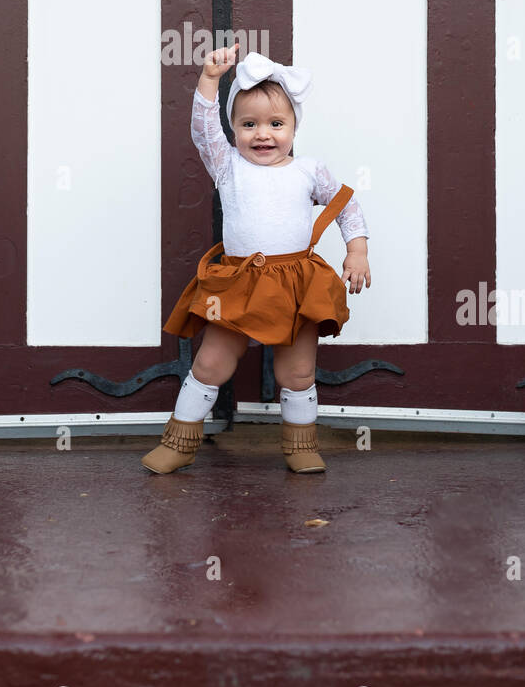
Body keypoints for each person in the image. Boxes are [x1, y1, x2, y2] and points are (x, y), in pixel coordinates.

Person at [142, 43, 371, 476]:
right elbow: (203, 130)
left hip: (296, 282)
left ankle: (300, 445)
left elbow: (346, 206)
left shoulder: (309, 170)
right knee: (210, 362)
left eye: (276, 123)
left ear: (294, 128)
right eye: (248, 124)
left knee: (298, 372)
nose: (263, 134)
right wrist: (210, 79)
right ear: (233, 129)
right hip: (240, 282)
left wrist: (356, 250)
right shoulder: (228, 165)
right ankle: (179, 441)